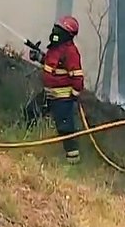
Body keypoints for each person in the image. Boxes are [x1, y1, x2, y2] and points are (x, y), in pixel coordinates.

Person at [28, 16, 85, 164]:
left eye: (59, 29)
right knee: (30, 112)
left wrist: (73, 95)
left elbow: (78, 77)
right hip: (49, 95)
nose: (55, 32)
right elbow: (50, 63)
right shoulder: (55, 48)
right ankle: (25, 141)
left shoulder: (71, 52)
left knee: (65, 129)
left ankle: (74, 161)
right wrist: (38, 57)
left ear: (67, 34)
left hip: (62, 99)